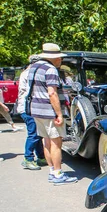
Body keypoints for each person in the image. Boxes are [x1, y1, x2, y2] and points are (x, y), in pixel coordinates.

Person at [26, 43, 76, 184]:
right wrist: (59, 114)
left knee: (46, 141)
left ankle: (52, 170)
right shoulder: (50, 69)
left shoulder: (34, 68)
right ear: (54, 58)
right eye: (59, 57)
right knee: (56, 142)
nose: (60, 60)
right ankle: (58, 174)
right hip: (49, 111)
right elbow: (52, 93)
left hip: (36, 109)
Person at [17, 55, 46, 170]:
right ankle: (28, 158)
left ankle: (41, 156)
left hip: (27, 107)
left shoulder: (26, 72)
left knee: (37, 133)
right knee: (33, 134)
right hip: (28, 108)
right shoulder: (31, 73)